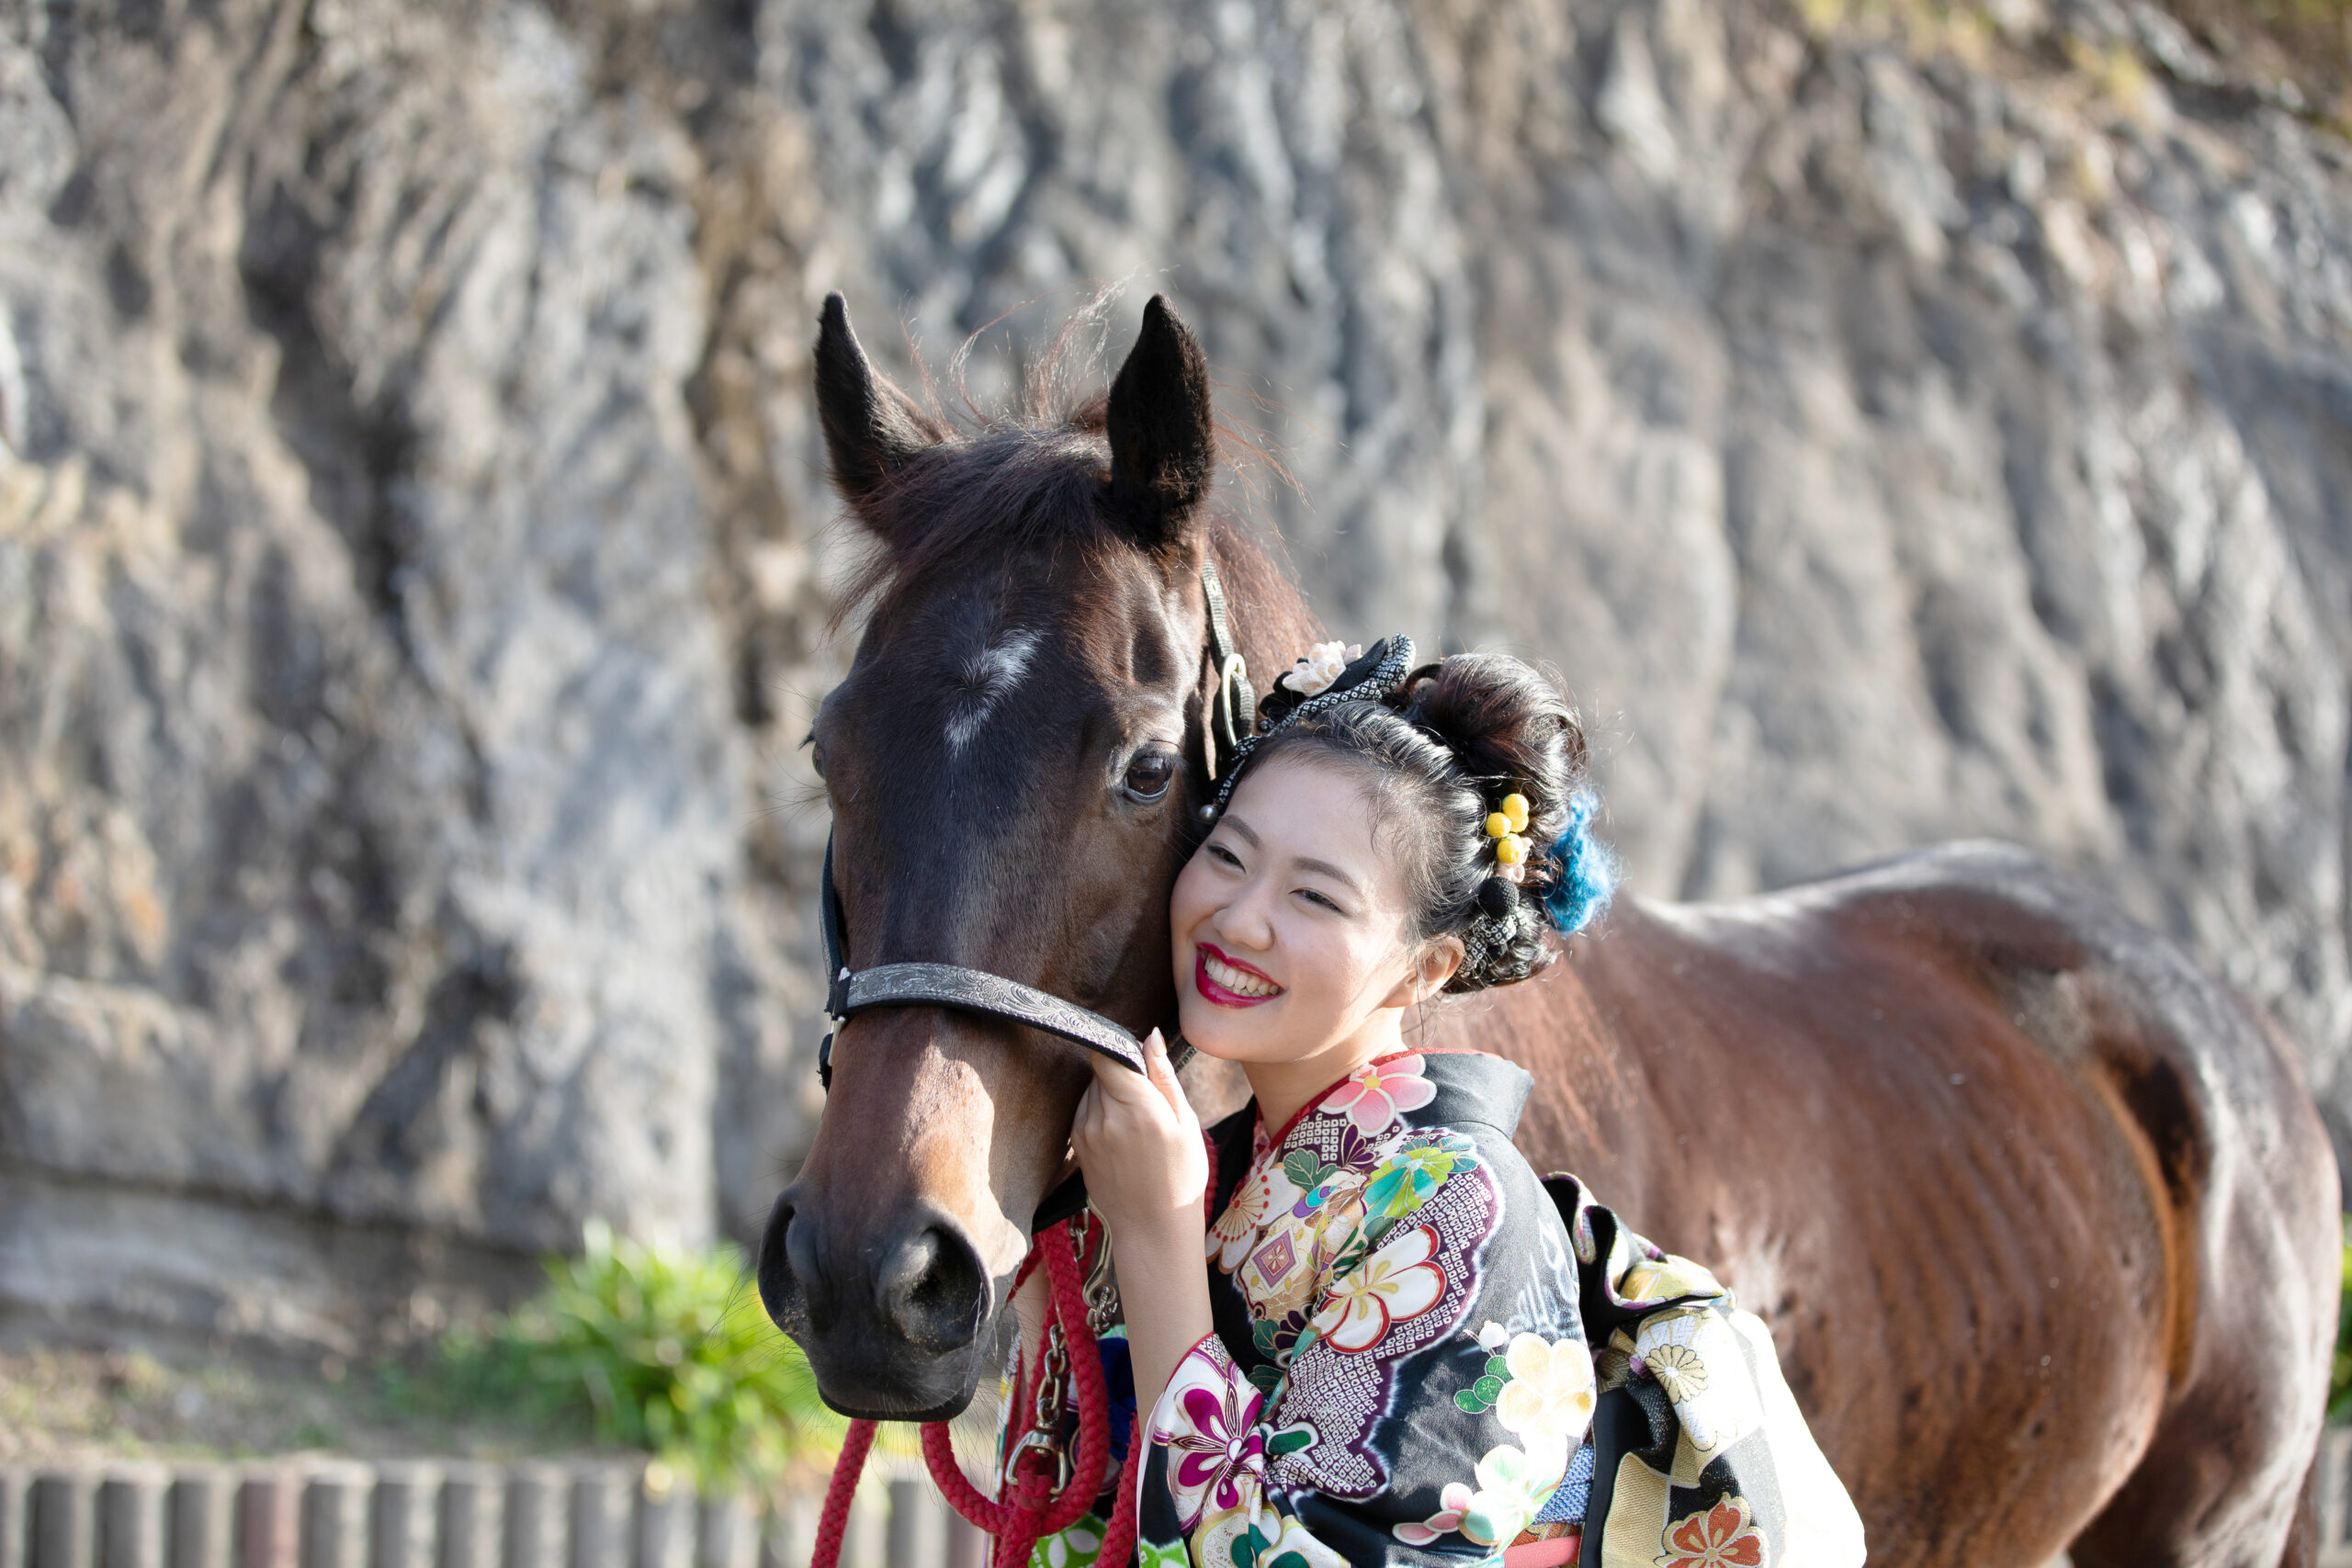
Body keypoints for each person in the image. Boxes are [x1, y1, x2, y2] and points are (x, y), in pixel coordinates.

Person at [1009, 640, 1864, 1568]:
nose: (1240, 917)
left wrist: (1155, 1243)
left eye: (1315, 897)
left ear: (1427, 965)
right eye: (1227, 855)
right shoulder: (1204, 1165)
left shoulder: (1459, 1208)